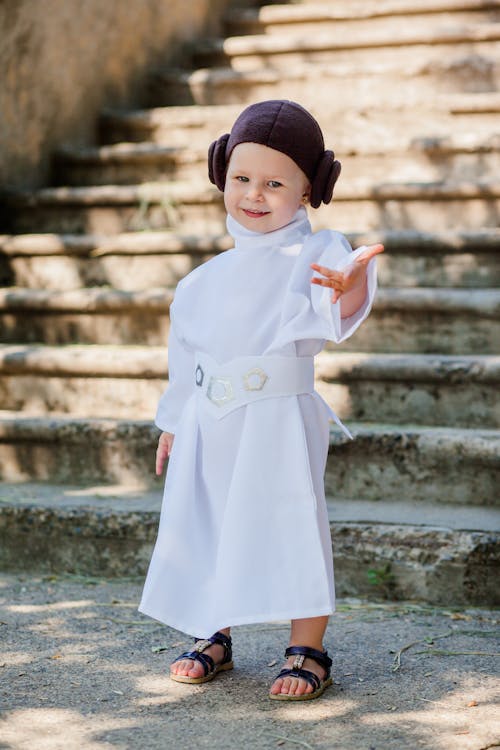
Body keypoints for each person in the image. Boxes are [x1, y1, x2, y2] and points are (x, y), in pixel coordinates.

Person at [139, 100, 384, 701]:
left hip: (278, 415)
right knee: (209, 519)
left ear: (309, 190)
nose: (255, 194)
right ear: (222, 172)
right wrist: (172, 421)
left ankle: (308, 645)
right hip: (207, 419)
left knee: (291, 516)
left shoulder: (319, 254)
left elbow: (336, 309)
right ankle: (211, 631)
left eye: (275, 183)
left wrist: (351, 290)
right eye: (242, 178)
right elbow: (186, 356)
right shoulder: (201, 279)